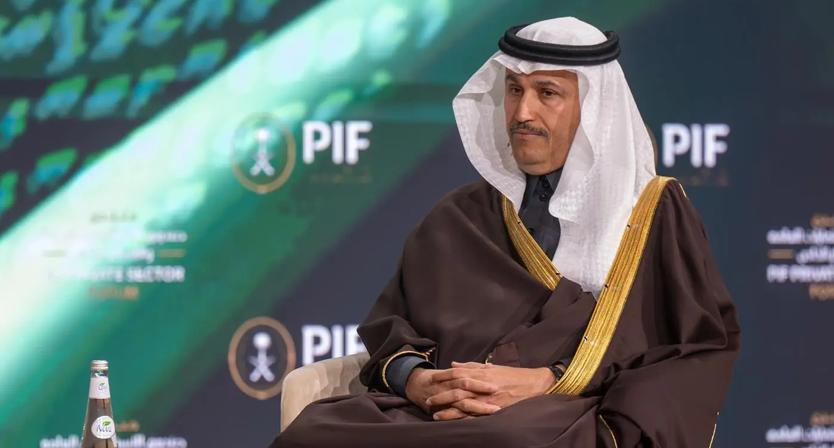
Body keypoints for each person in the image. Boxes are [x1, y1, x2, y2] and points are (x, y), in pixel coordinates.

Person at [271, 17, 739, 447]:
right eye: (514, 90)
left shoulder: (652, 213)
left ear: (595, 110)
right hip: (439, 413)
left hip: (570, 411)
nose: (521, 113)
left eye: (547, 93)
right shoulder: (461, 215)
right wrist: (418, 380)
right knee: (315, 433)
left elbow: (690, 350)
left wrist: (549, 380)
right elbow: (396, 329)